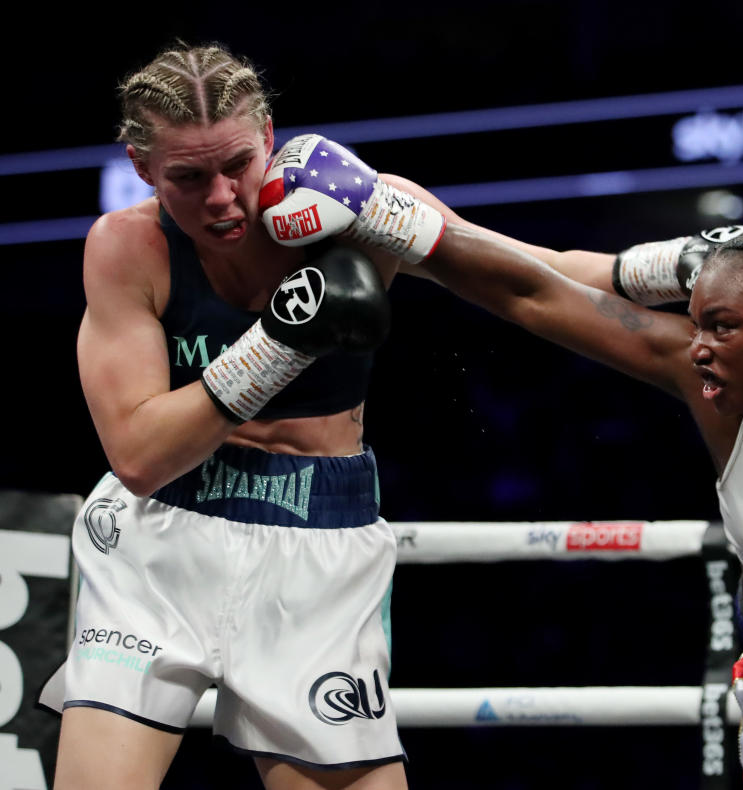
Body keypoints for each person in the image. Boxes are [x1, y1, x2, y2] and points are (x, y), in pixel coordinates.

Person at [260, 138, 743, 787]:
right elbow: (535, 291)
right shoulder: (709, 386)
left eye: (723, 328)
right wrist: (387, 213)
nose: (698, 347)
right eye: (697, 326)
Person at [37, 44, 447, 790]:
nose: (222, 198)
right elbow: (137, 455)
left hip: (317, 538)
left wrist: (655, 272)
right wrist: (281, 342)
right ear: (141, 167)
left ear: (270, 137)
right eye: (189, 179)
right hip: (155, 542)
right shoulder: (126, 247)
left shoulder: (354, 210)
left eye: (238, 167)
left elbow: (525, 282)